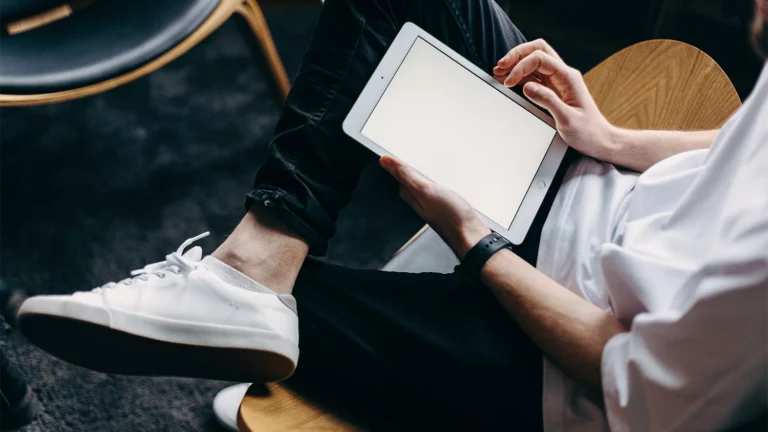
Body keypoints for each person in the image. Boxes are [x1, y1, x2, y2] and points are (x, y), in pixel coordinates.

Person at [17, 0, 768, 429]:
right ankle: (254, 271)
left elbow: (644, 394)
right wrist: (608, 140)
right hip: (596, 204)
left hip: (556, 372)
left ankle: (259, 300)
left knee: (290, 312)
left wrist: (475, 243)